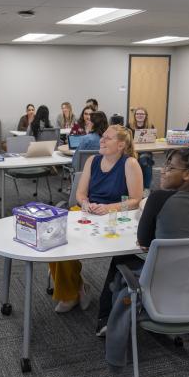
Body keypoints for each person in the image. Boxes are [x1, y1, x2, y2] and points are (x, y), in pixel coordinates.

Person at [96, 147, 189, 336]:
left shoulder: (158, 198)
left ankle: (106, 320)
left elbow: (144, 240)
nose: (162, 171)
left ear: (188, 174)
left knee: (120, 258)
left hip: (162, 276)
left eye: (170, 168)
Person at [49, 125, 143, 312]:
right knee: (56, 239)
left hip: (114, 216)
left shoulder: (130, 163)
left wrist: (108, 208)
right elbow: (81, 194)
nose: (102, 140)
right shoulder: (92, 160)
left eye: (108, 138)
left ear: (121, 145)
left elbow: (135, 200)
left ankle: (73, 292)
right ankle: (76, 290)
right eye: (103, 137)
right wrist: (85, 204)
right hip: (87, 212)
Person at [129, 107, 155, 189]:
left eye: (142, 114)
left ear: (145, 116)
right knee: (144, 161)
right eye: (137, 114)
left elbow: (153, 139)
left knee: (144, 159)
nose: (139, 115)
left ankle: (146, 189)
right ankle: (137, 188)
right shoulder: (129, 126)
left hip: (145, 151)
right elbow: (126, 140)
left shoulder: (150, 126)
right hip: (133, 151)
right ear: (135, 116)